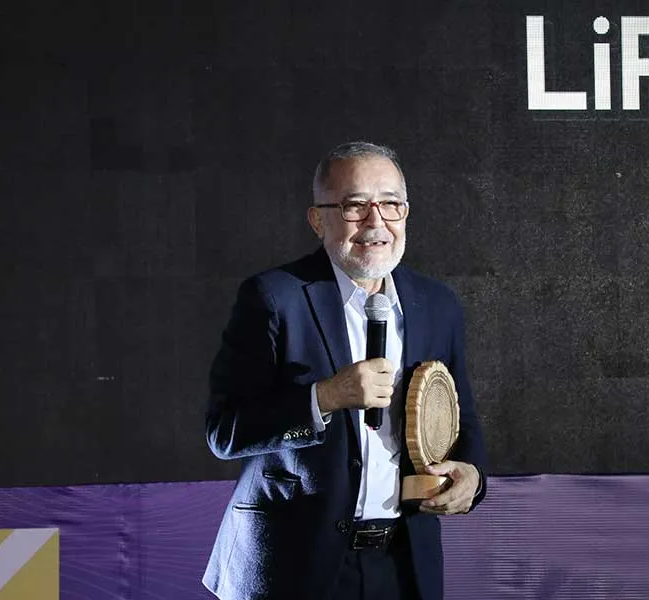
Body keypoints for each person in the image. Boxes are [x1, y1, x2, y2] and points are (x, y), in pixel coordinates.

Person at [202, 141, 487, 600]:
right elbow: (224, 433)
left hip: (403, 562)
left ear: (406, 212)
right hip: (292, 564)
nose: (376, 221)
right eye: (355, 205)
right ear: (318, 219)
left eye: (391, 204)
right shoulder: (275, 298)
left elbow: (463, 415)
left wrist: (473, 478)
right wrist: (325, 398)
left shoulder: (436, 304)